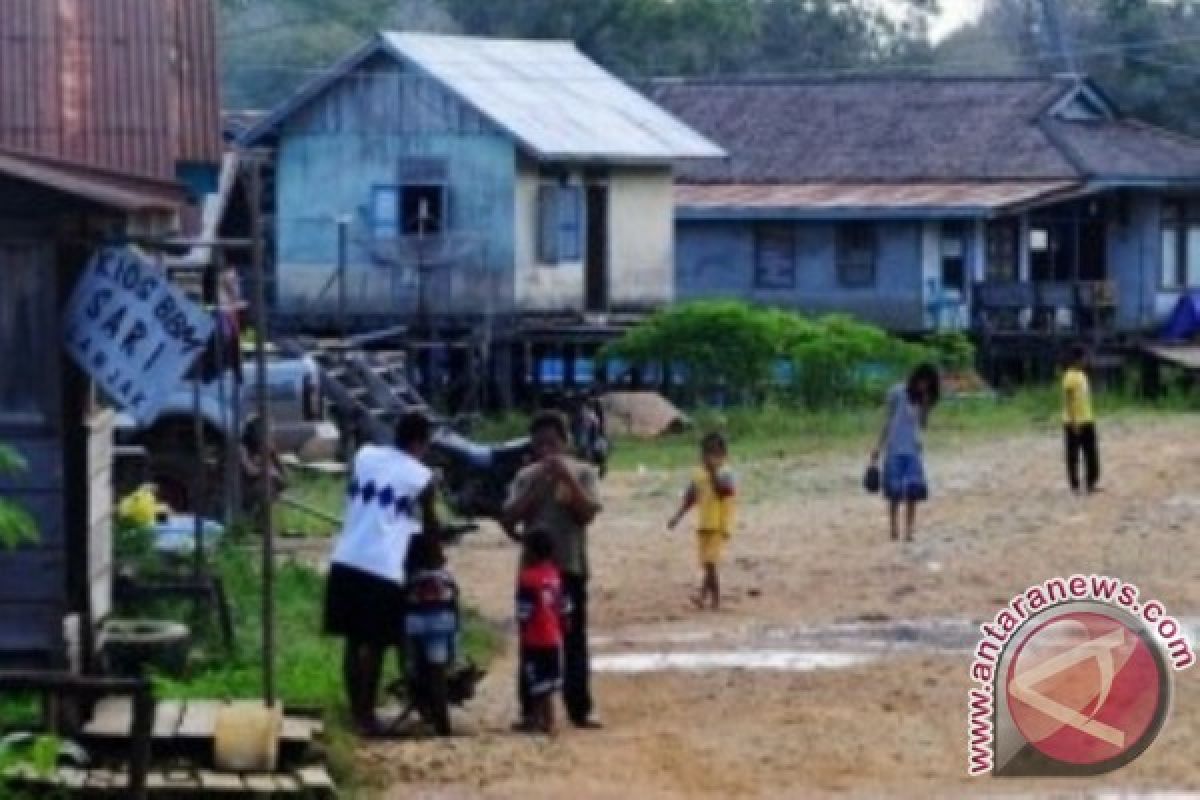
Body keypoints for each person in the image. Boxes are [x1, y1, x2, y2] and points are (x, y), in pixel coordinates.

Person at [323, 412, 440, 736]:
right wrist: (438, 557)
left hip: (345, 558)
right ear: (420, 443)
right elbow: (430, 525)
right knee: (374, 645)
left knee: (352, 641)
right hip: (383, 566)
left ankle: (356, 711)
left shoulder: (365, 455)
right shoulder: (422, 476)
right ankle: (367, 716)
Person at [503, 410, 603, 730]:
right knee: (532, 642)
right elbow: (509, 518)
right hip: (533, 575)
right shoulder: (525, 476)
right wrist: (537, 485)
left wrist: (566, 479)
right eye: (540, 445)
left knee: (574, 639)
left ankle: (579, 708)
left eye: (552, 443)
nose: (547, 451)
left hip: (570, 567)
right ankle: (531, 708)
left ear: (565, 443)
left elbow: (587, 514)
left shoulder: (585, 473)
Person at [870, 363, 940, 542]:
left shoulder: (924, 399)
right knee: (894, 492)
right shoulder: (897, 392)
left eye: (927, 383)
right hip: (894, 448)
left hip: (913, 449)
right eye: (922, 381)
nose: (923, 385)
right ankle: (893, 527)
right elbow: (887, 421)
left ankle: (909, 531)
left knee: (913, 491)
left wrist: (925, 407)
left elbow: (923, 425)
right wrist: (878, 446)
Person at [667, 433, 737, 611]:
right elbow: (691, 496)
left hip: (719, 523)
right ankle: (703, 596)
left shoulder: (725, 473)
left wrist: (713, 474)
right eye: (706, 455)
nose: (709, 459)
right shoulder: (698, 474)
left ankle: (715, 599)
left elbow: (725, 492)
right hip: (704, 524)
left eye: (714, 455)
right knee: (707, 562)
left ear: (723, 455)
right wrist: (677, 516)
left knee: (711, 562)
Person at [404, 532, 460, 736]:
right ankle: (455, 663)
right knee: (445, 660)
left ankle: (416, 691)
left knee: (412, 663)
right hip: (442, 625)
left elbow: (402, 605)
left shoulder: (409, 578)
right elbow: (455, 603)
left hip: (415, 626)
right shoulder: (445, 577)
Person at [514, 530, 570, 735]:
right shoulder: (554, 575)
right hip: (553, 637)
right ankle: (544, 721)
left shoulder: (527, 578)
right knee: (547, 681)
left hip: (535, 638)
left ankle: (544, 721)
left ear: (531, 553)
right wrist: (564, 623)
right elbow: (563, 605)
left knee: (537, 683)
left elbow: (524, 610)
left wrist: (522, 626)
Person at [1062, 344, 1101, 495]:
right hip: (1074, 422)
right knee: (1073, 455)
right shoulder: (1070, 376)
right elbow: (1068, 401)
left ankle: (1091, 482)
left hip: (1087, 419)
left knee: (1091, 453)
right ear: (1078, 359)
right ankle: (1075, 485)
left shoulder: (1082, 375)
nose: (1086, 361)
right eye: (1084, 357)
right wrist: (1073, 422)